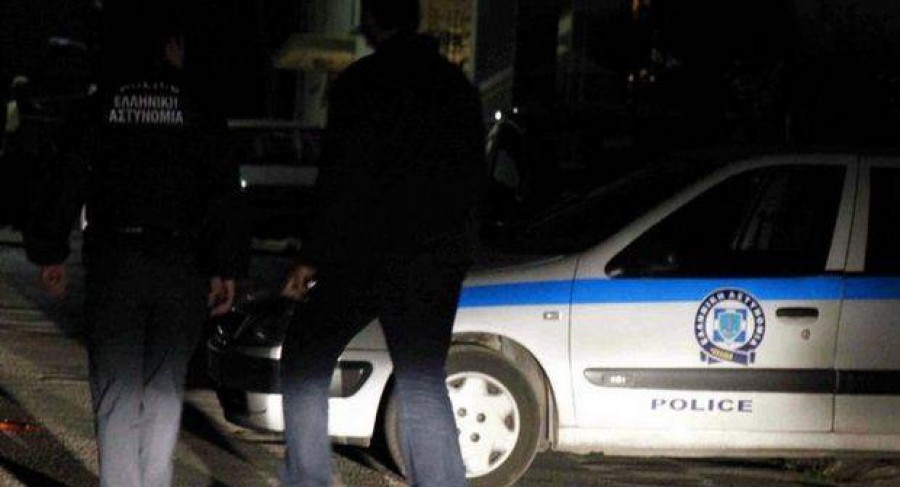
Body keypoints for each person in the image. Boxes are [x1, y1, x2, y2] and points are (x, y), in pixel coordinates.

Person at [24, 7, 248, 486]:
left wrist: (50, 250)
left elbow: (65, 176)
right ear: (171, 47)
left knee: (116, 387)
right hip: (181, 264)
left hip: (116, 261)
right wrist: (225, 265)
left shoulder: (102, 103)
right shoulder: (198, 106)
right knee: (165, 386)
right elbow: (222, 190)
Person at [279, 0, 486, 485]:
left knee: (305, 358)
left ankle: (308, 478)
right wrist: (458, 251)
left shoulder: (362, 82)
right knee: (421, 379)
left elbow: (340, 179)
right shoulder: (455, 86)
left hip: (365, 251)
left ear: (373, 20)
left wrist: (311, 256)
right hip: (433, 256)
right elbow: (474, 179)